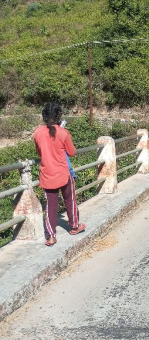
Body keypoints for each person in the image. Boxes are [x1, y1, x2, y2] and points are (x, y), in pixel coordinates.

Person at [33, 102, 86, 246]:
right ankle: (74, 226)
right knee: (70, 200)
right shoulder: (63, 132)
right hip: (63, 174)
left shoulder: (37, 133)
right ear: (59, 116)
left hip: (47, 175)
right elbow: (72, 152)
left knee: (50, 206)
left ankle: (51, 237)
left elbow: (39, 152)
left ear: (44, 116)